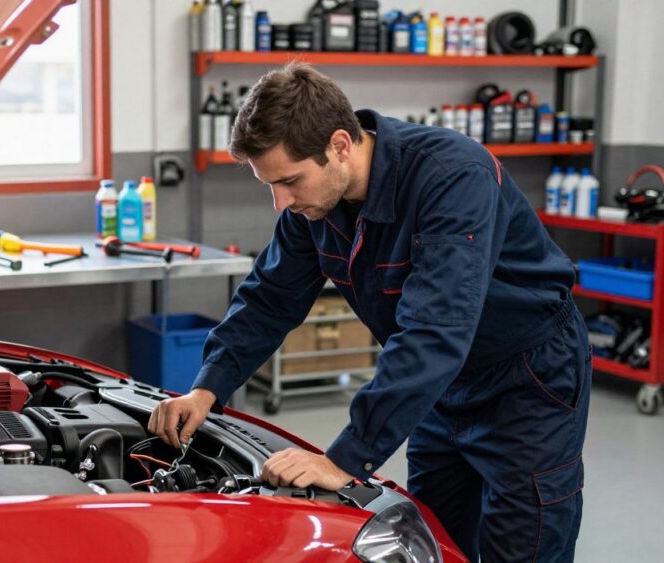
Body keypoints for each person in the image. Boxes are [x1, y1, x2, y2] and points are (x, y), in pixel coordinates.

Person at [148, 63, 590, 562]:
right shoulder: (311, 206)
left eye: (290, 181)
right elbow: (269, 297)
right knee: (434, 540)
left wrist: (344, 460)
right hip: (437, 386)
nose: (280, 202)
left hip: (526, 380)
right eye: (269, 185)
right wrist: (207, 388)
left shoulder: (452, 178)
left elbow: (435, 330)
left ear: (340, 145)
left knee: (523, 544)